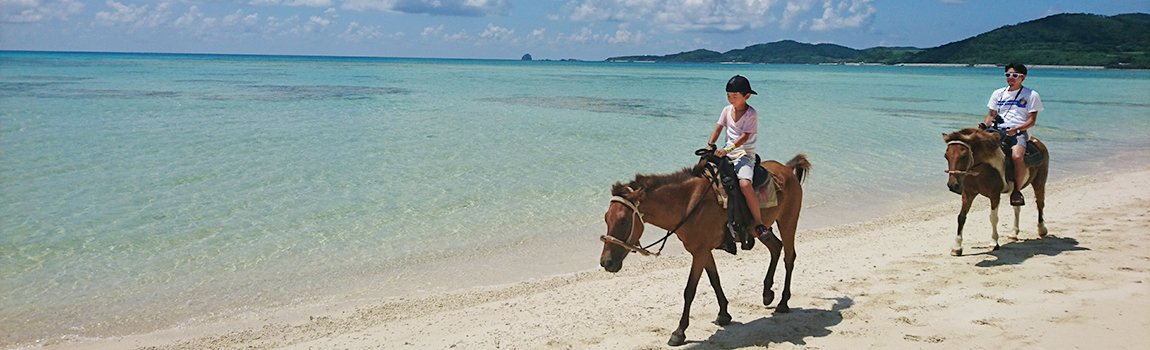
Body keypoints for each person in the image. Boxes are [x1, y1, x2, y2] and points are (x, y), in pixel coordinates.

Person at [707, 75, 769, 238]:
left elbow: (745, 137)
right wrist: (710, 144)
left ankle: (758, 222)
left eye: (734, 96)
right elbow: (718, 128)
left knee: (745, 184)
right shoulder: (726, 110)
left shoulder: (751, 114)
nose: (730, 99)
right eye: (728, 95)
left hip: (744, 154)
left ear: (746, 96)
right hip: (726, 152)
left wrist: (728, 149)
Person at [983, 63, 1043, 206]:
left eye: (1014, 75)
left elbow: (1032, 120)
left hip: (1019, 131)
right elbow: (991, 115)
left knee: (1017, 156)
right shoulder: (998, 93)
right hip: (997, 130)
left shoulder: (1031, 95)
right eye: (1008, 75)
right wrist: (983, 126)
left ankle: (1016, 191)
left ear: (1023, 77)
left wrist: (1016, 129)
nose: (1010, 78)